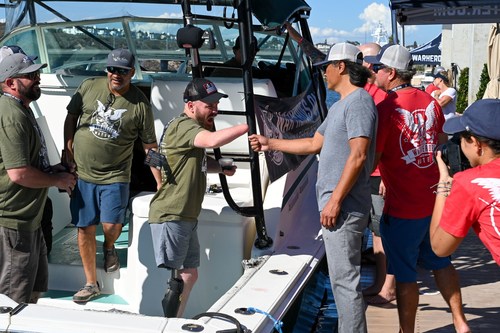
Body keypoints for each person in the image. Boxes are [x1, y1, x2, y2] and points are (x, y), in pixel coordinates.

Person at [249, 43, 377, 333]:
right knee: (341, 280)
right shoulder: (343, 104)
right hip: (338, 205)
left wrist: (335, 201)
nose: (323, 74)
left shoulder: (358, 102)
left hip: (343, 208)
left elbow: (358, 155)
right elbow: (313, 144)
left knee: (345, 282)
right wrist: (271, 143)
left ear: (341, 67)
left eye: (326, 68)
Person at [365, 44, 470, 333]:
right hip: (433, 202)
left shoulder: (386, 108)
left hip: (403, 207)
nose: (375, 73)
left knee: (405, 276)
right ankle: (461, 323)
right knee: (441, 262)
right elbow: (437, 142)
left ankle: (406, 331)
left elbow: (373, 157)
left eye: (379, 68)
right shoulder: (431, 102)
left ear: (392, 73)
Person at [64, 48, 162, 303]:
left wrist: (161, 181)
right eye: (112, 69)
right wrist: (68, 147)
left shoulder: (140, 104)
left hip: (116, 176)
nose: (116, 75)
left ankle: (109, 247)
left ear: (132, 72)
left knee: (111, 225)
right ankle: (90, 283)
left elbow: (150, 147)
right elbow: (71, 117)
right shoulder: (88, 86)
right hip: (83, 174)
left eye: (122, 71)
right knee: (84, 228)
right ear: (107, 69)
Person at [148, 78, 249, 317]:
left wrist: (220, 167)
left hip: (186, 215)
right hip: (172, 213)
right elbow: (212, 141)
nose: (215, 109)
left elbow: (195, 160)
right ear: (191, 105)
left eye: (216, 104)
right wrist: (249, 127)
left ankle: (175, 322)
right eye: (209, 104)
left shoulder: (189, 129)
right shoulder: (185, 127)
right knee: (179, 279)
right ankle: (168, 325)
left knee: (189, 275)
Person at [0, 52, 77, 304]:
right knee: (12, 302)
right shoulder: (11, 115)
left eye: (37, 74)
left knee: (33, 292)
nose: (38, 79)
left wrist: (53, 170)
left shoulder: (23, 108)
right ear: (11, 83)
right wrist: (58, 181)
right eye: (31, 75)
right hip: (13, 222)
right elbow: (19, 173)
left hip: (30, 220)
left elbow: (27, 165)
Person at [430, 99, 500, 265]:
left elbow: (440, 246)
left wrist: (445, 183)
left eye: (461, 138)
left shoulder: (471, 183)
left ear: (475, 143)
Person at [357, 42, 396, 305]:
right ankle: (380, 282)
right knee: (377, 231)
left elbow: (388, 141)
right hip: (372, 173)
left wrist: (386, 176)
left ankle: (388, 287)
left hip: (379, 175)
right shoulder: (369, 92)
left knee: (384, 231)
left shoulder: (380, 97)